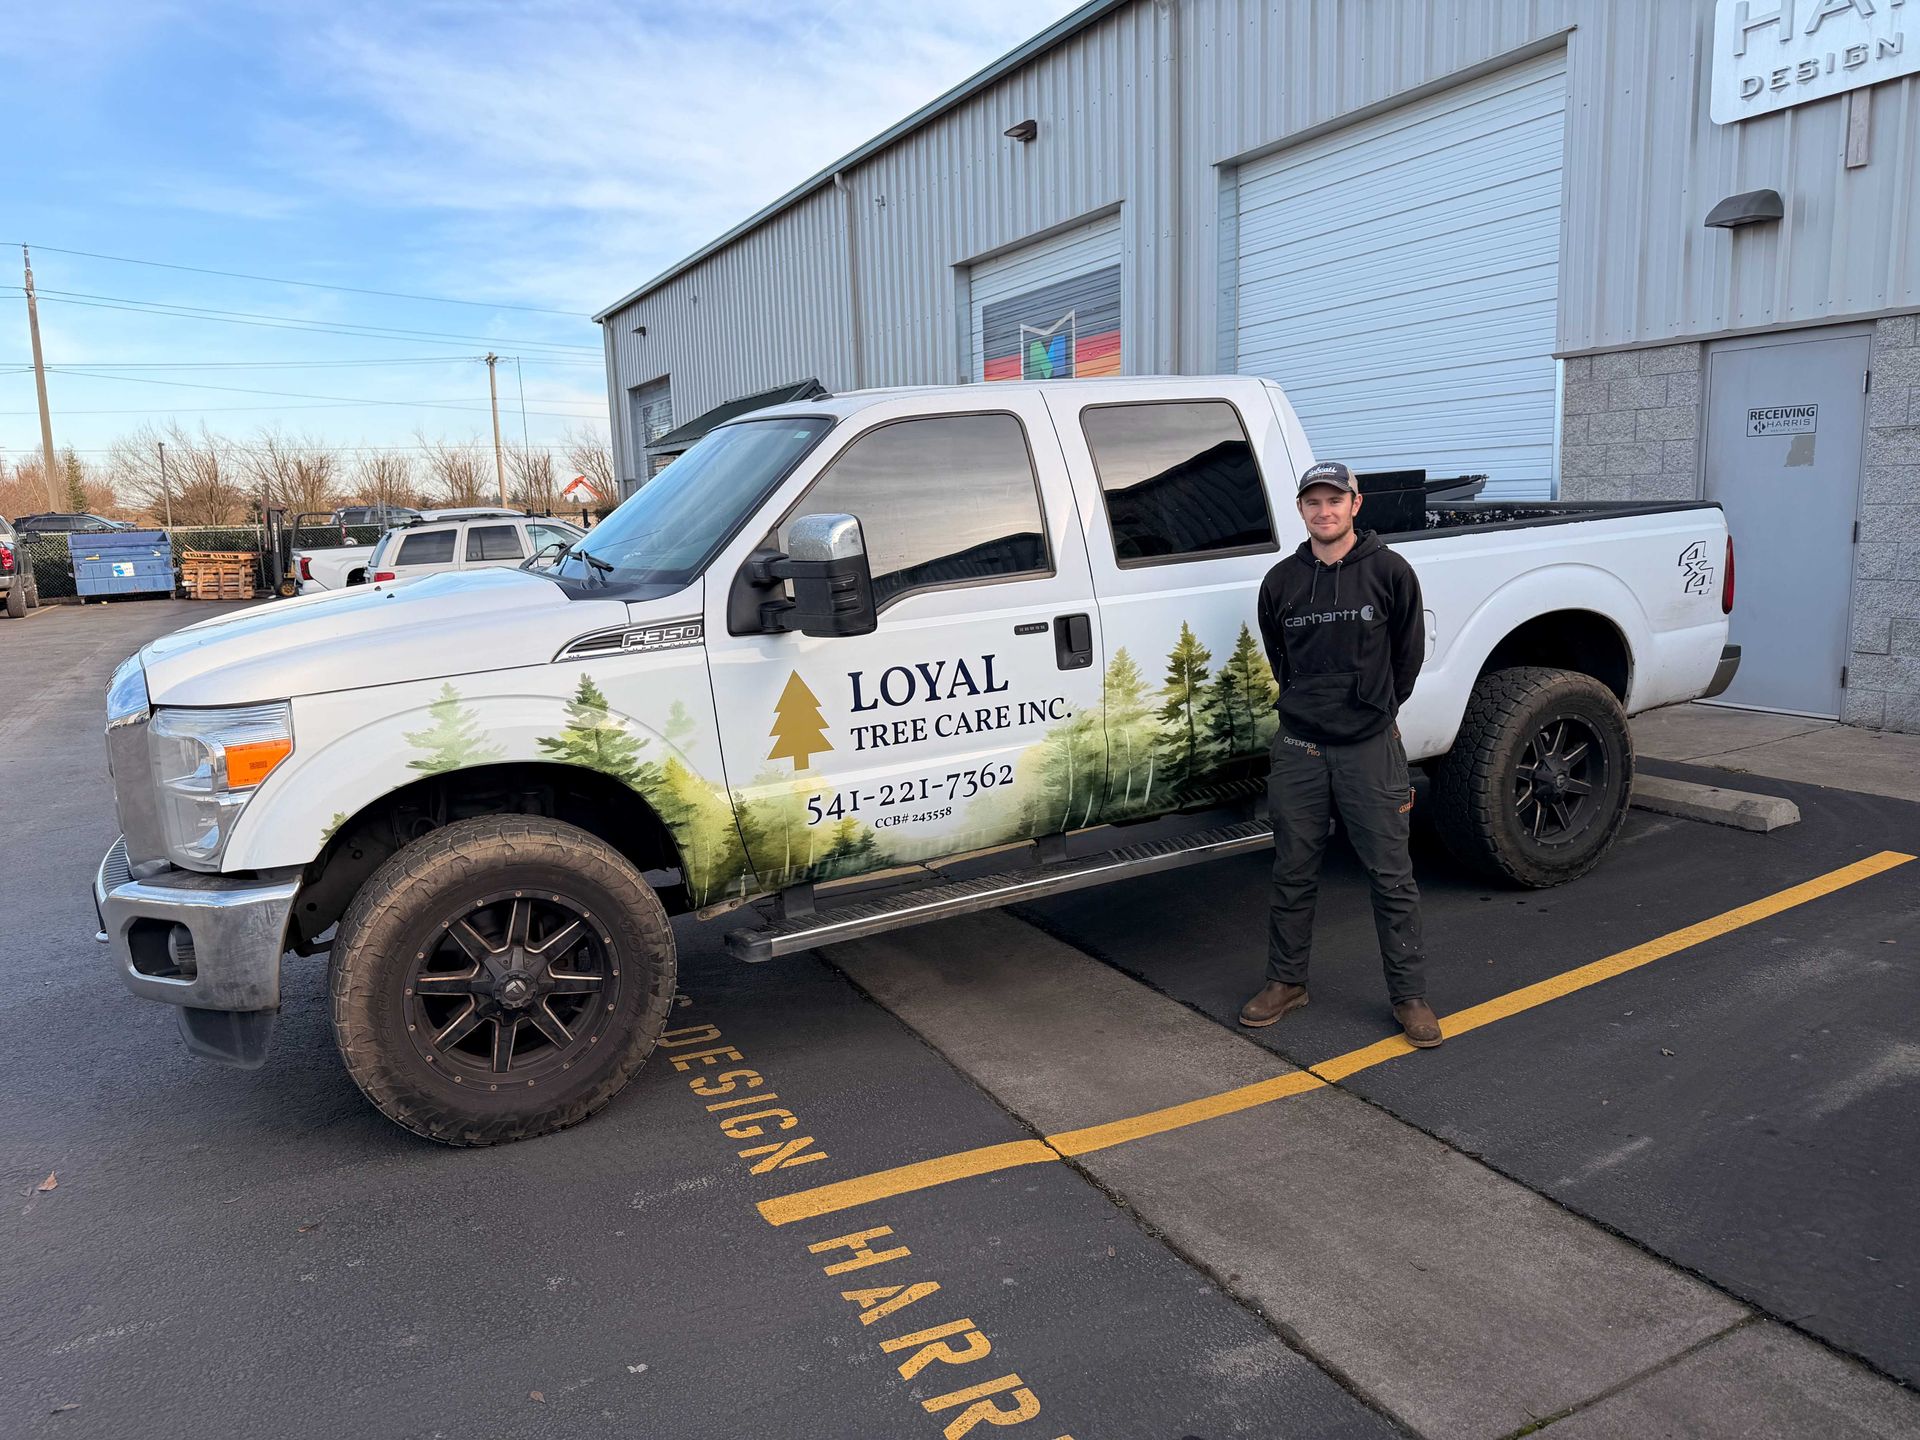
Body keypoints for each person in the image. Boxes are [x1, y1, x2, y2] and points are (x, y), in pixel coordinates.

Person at [1242, 459, 1441, 1048]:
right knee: (1293, 872)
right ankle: (1286, 982)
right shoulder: (1279, 582)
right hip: (1299, 750)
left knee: (1391, 877)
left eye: (1335, 500)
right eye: (1313, 502)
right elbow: (1281, 659)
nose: (1324, 511)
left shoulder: (1390, 572)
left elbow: (1407, 657)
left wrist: (1373, 715)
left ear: (1356, 504)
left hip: (1369, 751)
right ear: (1300, 509)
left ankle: (1409, 995)